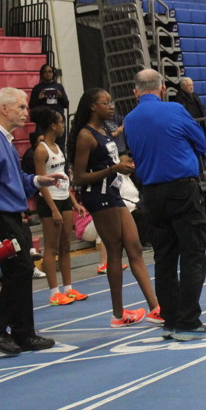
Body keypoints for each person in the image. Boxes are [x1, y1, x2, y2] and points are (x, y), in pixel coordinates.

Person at [0, 87, 65, 355]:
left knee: (20, 272)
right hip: (1, 217)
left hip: (12, 215)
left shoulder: (4, 140)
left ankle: (24, 333)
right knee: (20, 269)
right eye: (21, 107)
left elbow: (13, 178)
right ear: (4, 109)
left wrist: (38, 180)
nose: (26, 112)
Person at [125, 69, 206, 341]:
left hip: (151, 194)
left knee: (164, 258)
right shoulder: (175, 110)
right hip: (181, 190)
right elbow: (201, 143)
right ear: (162, 88)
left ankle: (171, 320)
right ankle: (188, 321)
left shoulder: (129, 120)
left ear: (136, 92)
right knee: (193, 253)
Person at [68, 89, 159, 326]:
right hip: (98, 197)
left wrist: (121, 164)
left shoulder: (105, 130)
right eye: (105, 103)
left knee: (135, 247)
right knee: (115, 251)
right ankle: (118, 315)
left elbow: (109, 162)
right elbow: (79, 177)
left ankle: (155, 307)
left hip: (113, 193)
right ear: (92, 106)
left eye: (112, 102)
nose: (111, 106)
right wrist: (113, 169)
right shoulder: (85, 136)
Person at [32, 106, 87, 307]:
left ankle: (68, 288)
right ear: (53, 126)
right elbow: (41, 182)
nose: (64, 125)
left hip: (64, 198)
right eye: (61, 122)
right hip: (50, 201)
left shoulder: (57, 146)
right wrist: (54, 210)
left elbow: (63, 177)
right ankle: (54, 292)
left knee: (65, 246)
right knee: (51, 247)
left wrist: (74, 202)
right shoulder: (41, 150)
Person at [29, 64, 70, 147]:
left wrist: (60, 96)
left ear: (53, 73)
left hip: (58, 120)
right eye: (45, 72)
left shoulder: (59, 87)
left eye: (50, 71)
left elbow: (66, 104)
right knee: (43, 144)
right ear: (42, 74)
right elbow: (31, 106)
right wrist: (39, 98)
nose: (48, 74)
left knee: (60, 144)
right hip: (43, 121)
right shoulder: (37, 88)